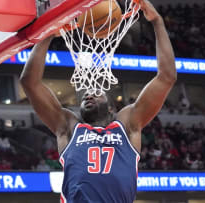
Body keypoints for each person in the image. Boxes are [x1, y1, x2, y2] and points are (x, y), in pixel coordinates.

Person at [20, 0, 177, 202]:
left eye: (96, 92)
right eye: (86, 94)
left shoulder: (127, 124)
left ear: (111, 107)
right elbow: (29, 82)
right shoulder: (68, 126)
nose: (88, 94)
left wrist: (157, 22)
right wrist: (49, 34)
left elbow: (167, 77)